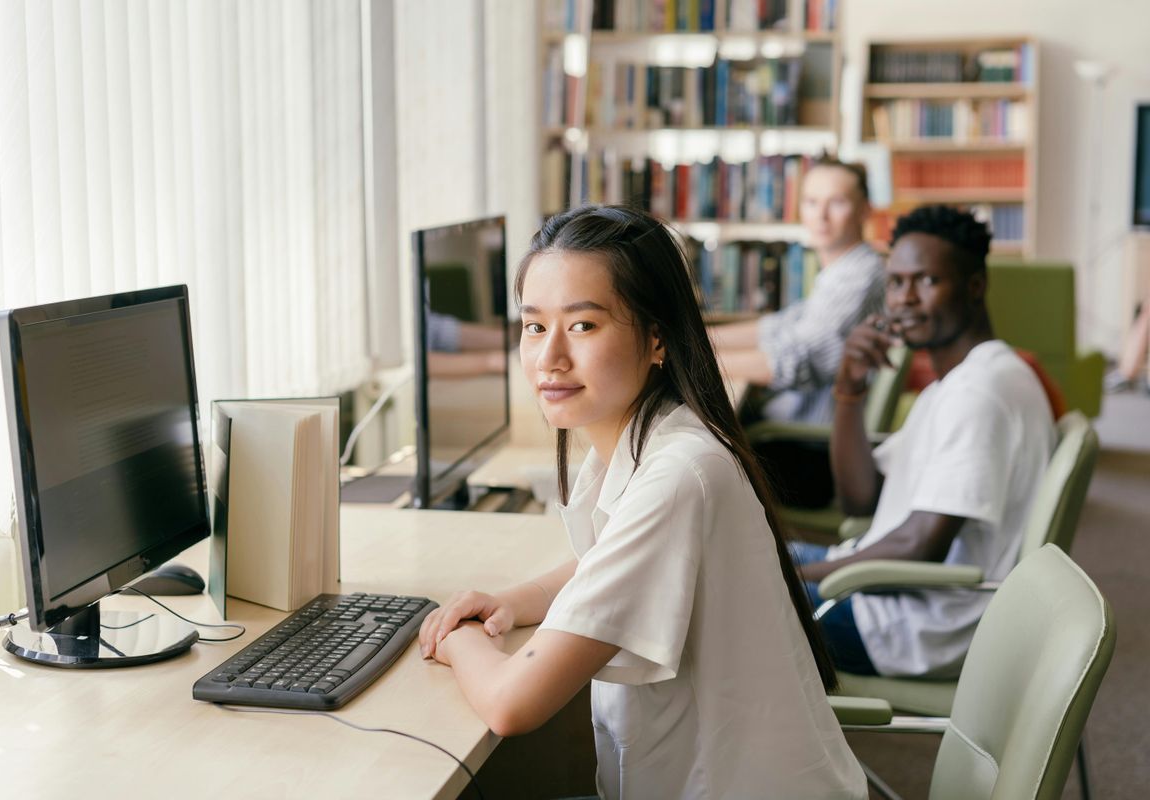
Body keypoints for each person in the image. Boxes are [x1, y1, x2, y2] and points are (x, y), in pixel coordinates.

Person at [418, 205, 866, 799]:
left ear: (657, 339)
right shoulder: (649, 440)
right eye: (533, 326)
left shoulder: (680, 473)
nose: (549, 357)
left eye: (582, 326)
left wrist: (454, 636)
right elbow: (612, 562)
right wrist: (511, 602)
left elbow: (510, 705)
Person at [790, 205, 1057, 679]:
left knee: (722, 595)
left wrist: (793, 580)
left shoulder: (979, 392)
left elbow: (921, 545)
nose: (903, 300)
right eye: (895, 282)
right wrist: (849, 391)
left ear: (975, 287)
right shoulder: (953, 383)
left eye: (926, 281)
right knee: (733, 557)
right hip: (891, 594)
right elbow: (860, 499)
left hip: (916, 624)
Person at [709, 155, 885, 425]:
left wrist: (689, 362)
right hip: (796, 419)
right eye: (811, 202)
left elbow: (796, 360)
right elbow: (780, 327)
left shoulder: (859, 276)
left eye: (837, 202)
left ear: (864, 211)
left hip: (811, 437)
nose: (821, 216)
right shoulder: (841, 270)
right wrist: (697, 338)